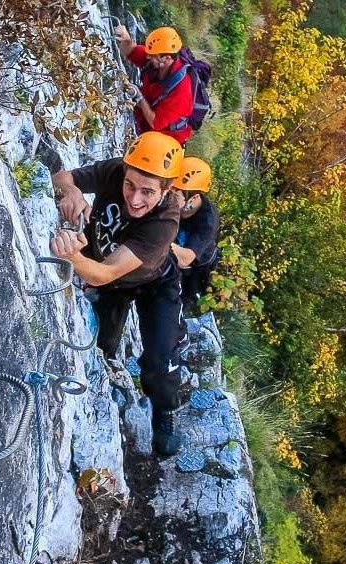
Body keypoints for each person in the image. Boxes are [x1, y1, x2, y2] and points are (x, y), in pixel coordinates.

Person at [50, 131, 186, 457]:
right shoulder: (116, 171)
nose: (135, 198)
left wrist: (74, 257)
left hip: (154, 282)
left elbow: (106, 272)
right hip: (113, 284)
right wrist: (71, 193)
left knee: (160, 359)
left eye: (148, 192)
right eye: (130, 185)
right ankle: (108, 372)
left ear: (167, 190)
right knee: (101, 346)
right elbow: (61, 176)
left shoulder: (164, 222)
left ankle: (165, 411)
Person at [114, 25, 194, 145]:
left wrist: (139, 97)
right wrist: (126, 39)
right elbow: (132, 51)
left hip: (165, 141)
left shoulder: (181, 91)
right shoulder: (156, 60)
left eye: (152, 55)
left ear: (166, 58)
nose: (147, 57)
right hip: (143, 125)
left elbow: (155, 122)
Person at [170, 157, 220, 311]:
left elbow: (185, 258)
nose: (169, 198)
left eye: (175, 196)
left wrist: (158, 239)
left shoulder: (208, 221)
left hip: (196, 267)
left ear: (194, 198)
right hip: (177, 246)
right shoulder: (176, 203)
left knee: (182, 300)